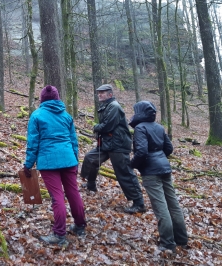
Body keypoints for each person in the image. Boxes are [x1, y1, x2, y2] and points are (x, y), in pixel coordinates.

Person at [23, 85, 86, 245]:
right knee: (73, 193)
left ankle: (59, 235)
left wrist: (28, 164)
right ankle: (80, 226)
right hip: (68, 159)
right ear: (57, 98)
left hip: (48, 161)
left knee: (57, 197)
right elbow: (74, 141)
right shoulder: (66, 116)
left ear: (42, 99)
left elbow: (33, 143)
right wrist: (75, 160)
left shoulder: (36, 116)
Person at [129, 101, 188, 253]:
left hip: (151, 172)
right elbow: (168, 148)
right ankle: (181, 239)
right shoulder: (159, 127)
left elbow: (141, 152)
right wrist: (160, 157)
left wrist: (132, 164)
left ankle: (168, 243)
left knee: (161, 207)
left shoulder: (140, 128)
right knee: (173, 204)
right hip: (164, 168)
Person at [80, 84, 145, 214]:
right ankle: (91, 184)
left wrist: (96, 127)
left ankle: (139, 203)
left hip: (118, 144)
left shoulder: (114, 106)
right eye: (98, 93)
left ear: (110, 94)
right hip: (107, 142)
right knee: (91, 158)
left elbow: (107, 126)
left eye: (102, 93)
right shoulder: (106, 106)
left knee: (124, 171)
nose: (99, 95)